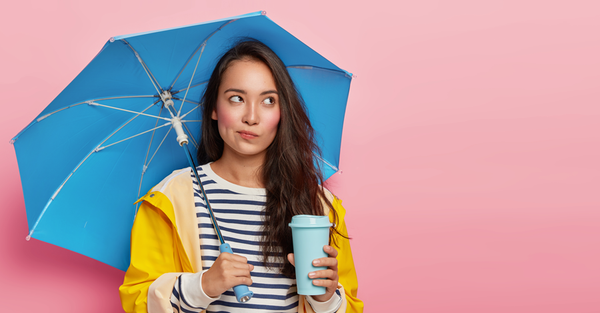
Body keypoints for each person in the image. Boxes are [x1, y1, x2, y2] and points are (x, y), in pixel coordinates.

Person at [119, 40, 363, 313]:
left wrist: (326, 298)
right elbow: (139, 301)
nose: (251, 116)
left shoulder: (319, 205)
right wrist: (203, 286)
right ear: (213, 107)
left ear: (282, 113)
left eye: (268, 101)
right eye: (236, 98)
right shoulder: (171, 198)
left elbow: (350, 306)